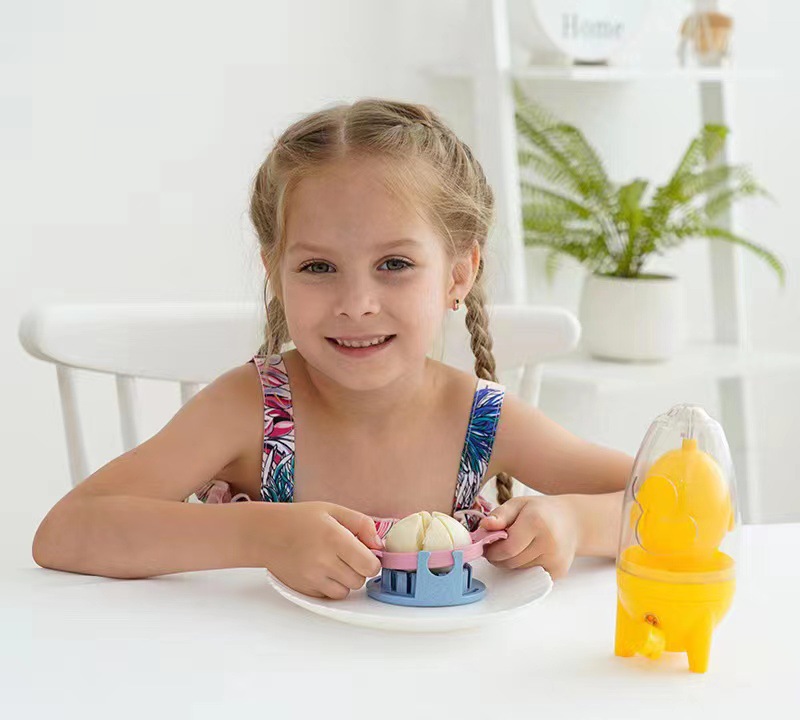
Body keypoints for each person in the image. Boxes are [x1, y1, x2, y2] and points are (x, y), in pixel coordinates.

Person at [32, 98, 633, 599]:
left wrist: (576, 522)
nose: (356, 303)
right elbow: (66, 531)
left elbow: (675, 495)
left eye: (394, 264)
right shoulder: (249, 409)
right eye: (318, 267)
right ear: (276, 273)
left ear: (458, 273)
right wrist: (259, 535)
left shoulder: (481, 420)